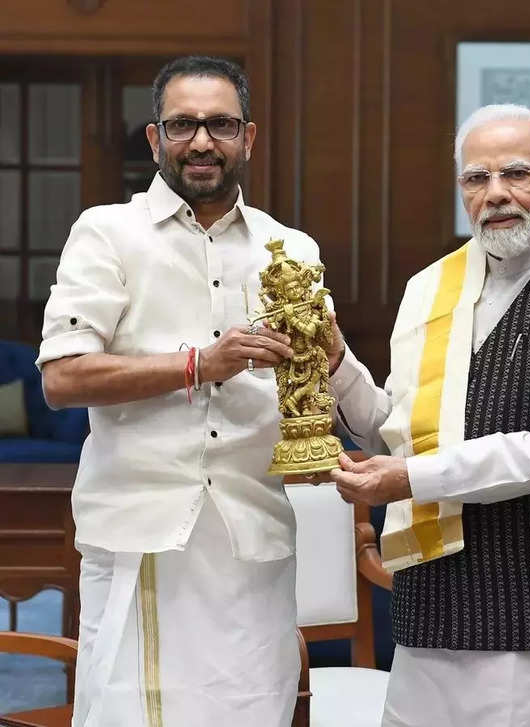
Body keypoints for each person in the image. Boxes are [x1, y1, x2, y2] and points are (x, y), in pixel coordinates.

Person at [327, 104, 530, 726]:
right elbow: (392, 428)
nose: (496, 194)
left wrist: (412, 478)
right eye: (477, 179)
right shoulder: (432, 286)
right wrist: (337, 362)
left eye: (517, 174)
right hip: (436, 616)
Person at [37, 56, 321, 727]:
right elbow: (62, 378)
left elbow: (327, 377)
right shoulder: (108, 233)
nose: (200, 140)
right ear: (154, 138)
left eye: (220, 125)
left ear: (247, 138)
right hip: (141, 535)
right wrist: (199, 363)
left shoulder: (291, 250)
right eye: (183, 125)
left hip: (252, 544)